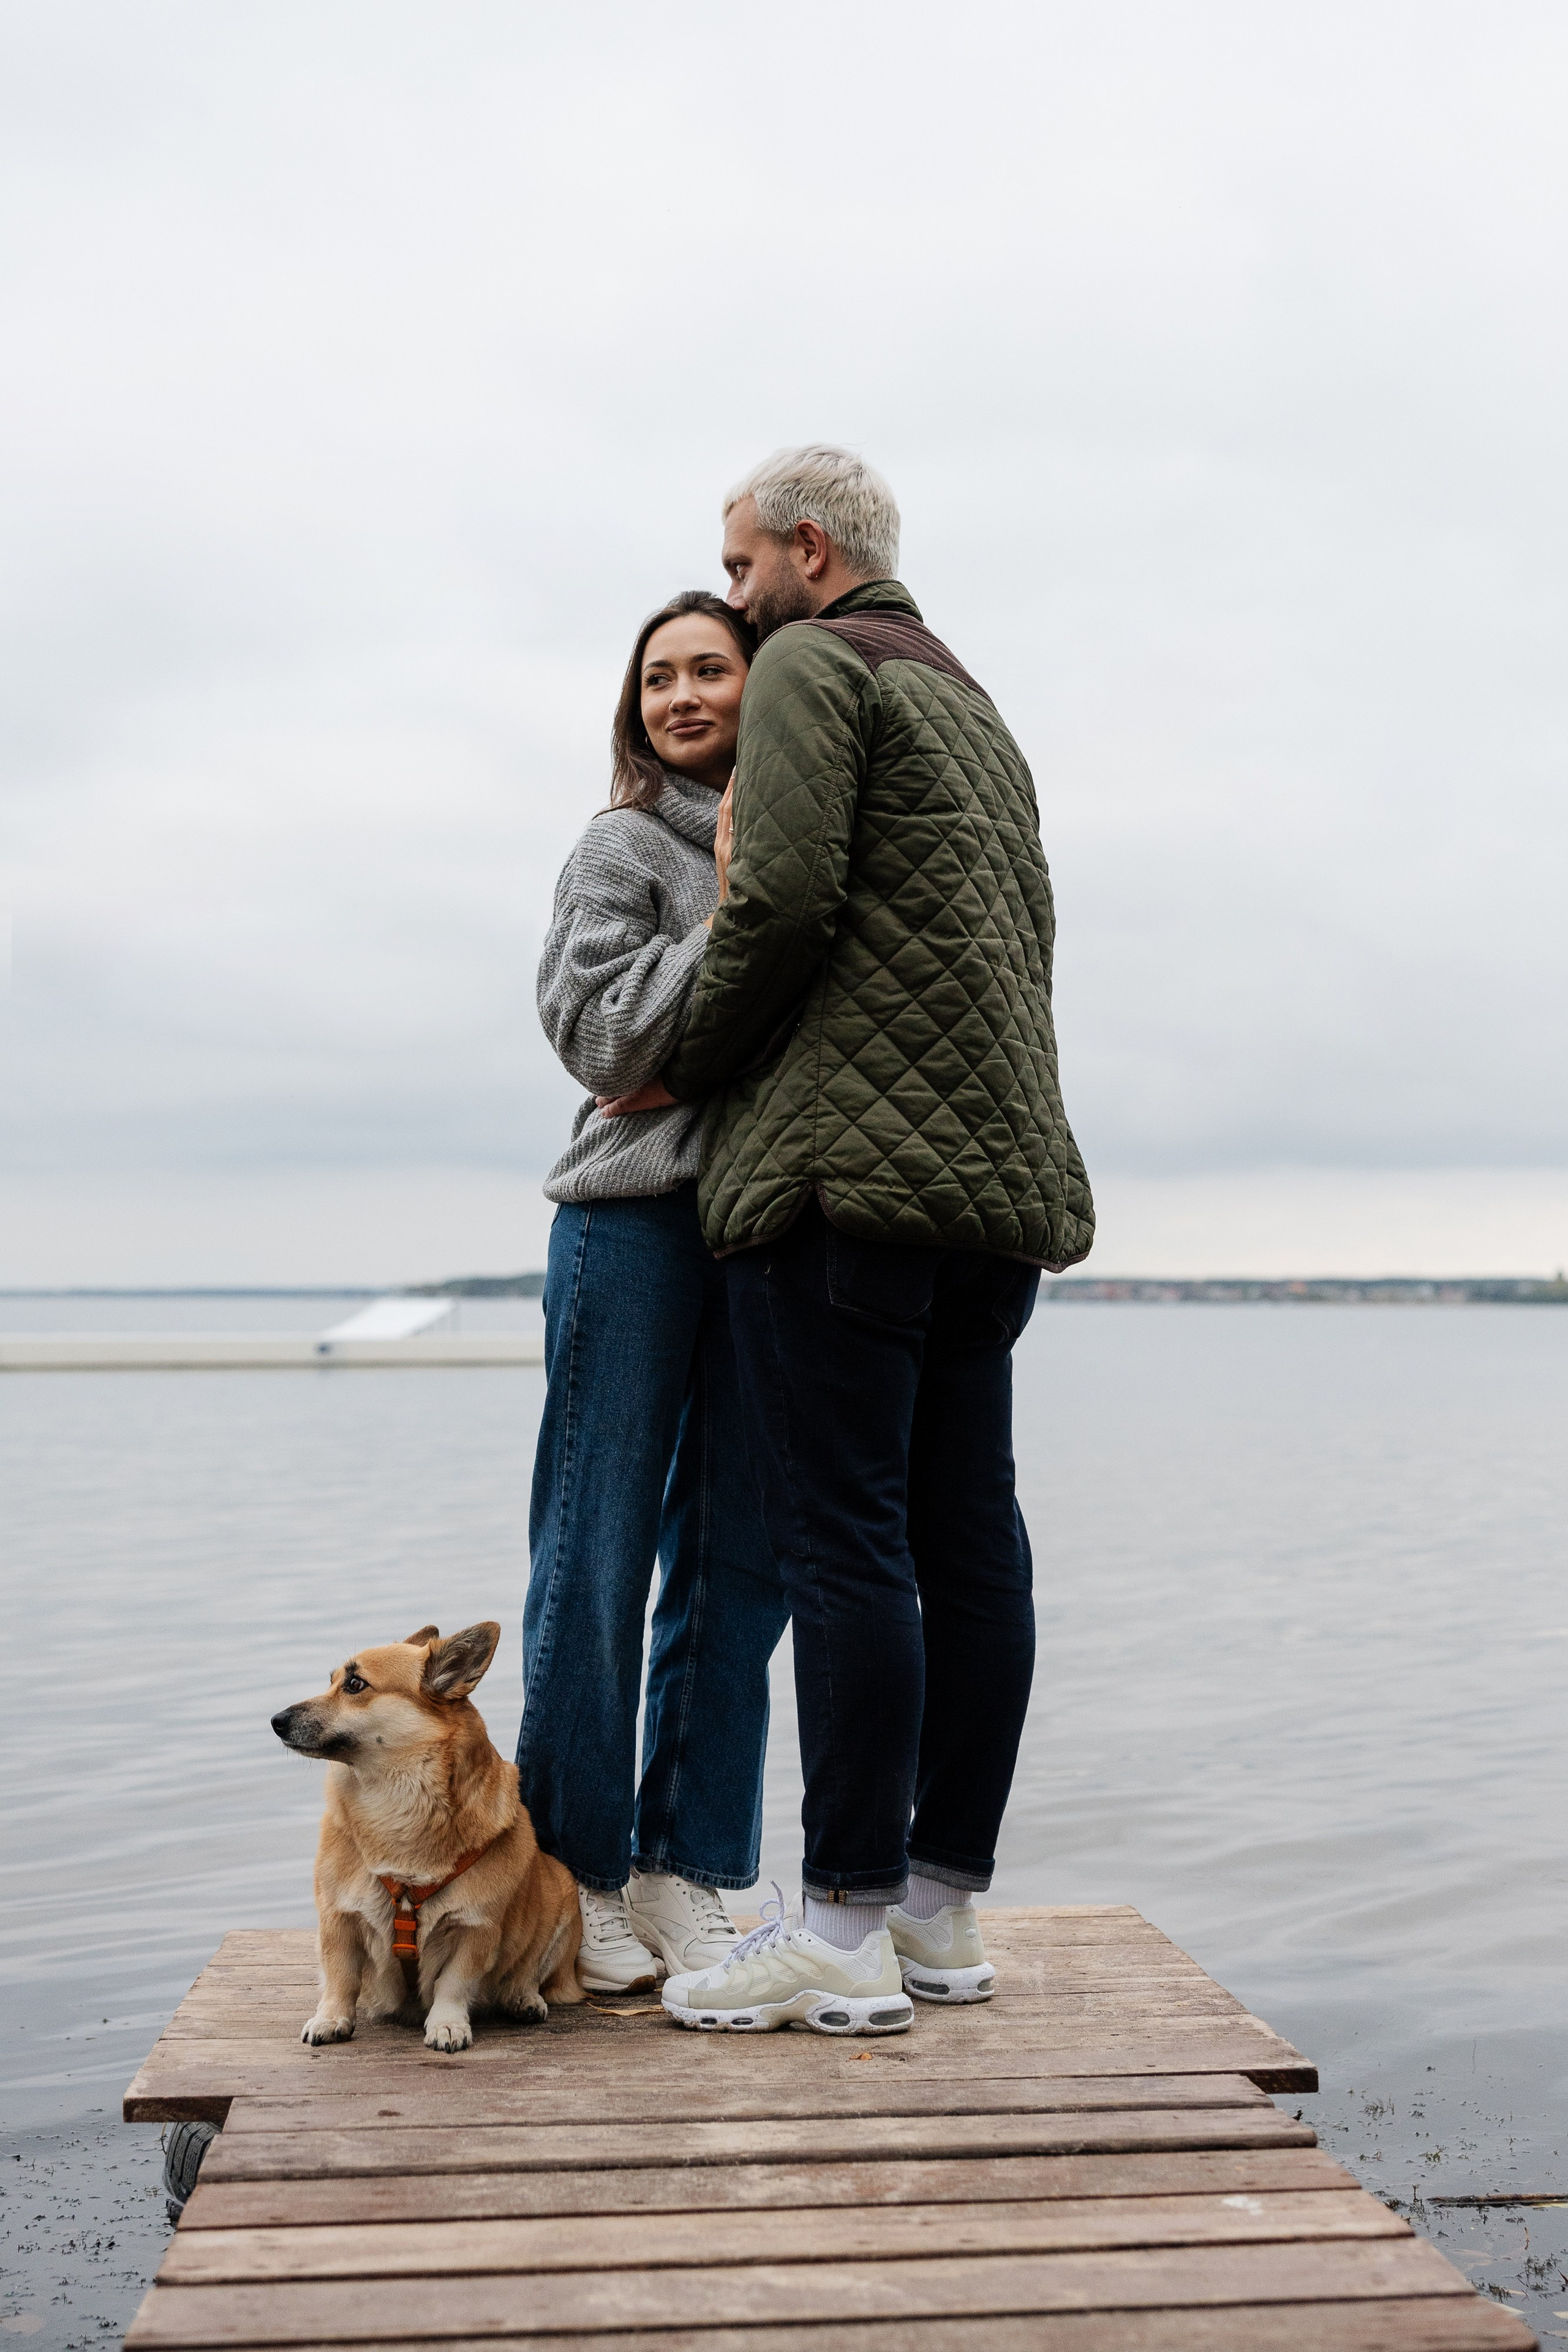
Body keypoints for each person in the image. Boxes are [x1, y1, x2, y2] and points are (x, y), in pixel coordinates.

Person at [617, 447, 1095, 2037]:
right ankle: (940, 1915)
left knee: (848, 1547)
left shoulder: (818, 661)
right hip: (994, 1183)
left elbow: (787, 901)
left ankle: (834, 1927)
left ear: (806, 550)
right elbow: (1025, 931)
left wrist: (680, 1065)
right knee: (970, 1536)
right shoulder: (972, 699)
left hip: (842, 1184)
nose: (736, 600)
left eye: (740, 567)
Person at [516, 589, 790, 1995]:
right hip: (628, 1226)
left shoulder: (812, 843)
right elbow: (596, 1034)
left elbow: (804, 1037)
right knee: (596, 1549)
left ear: (764, 688)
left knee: (741, 1558)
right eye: (659, 679)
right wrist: (737, 919)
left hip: (766, 1232)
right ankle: (574, 1869)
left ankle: (684, 1865)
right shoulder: (622, 844)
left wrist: (695, 1060)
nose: (682, 696)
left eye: (710, 670)